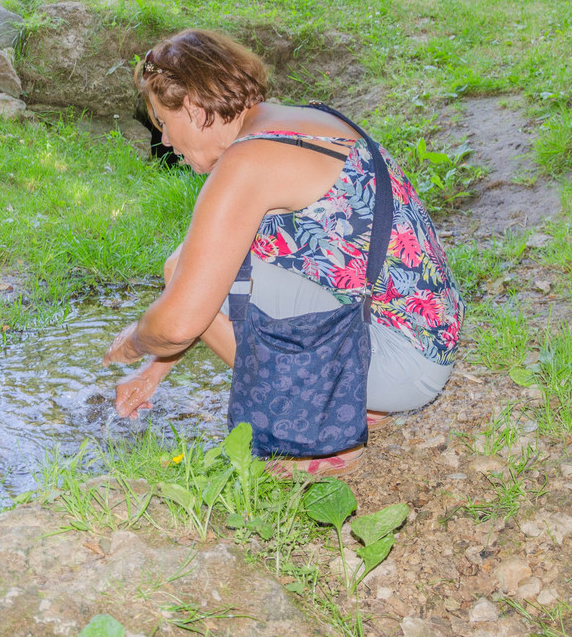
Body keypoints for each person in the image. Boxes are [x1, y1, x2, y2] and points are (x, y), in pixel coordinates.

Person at [102, 29, 463, 476]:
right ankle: (352, 402)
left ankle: (318, 428)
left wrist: (135, 343)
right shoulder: (300, 122)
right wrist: (152, 374)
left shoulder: (247, 165)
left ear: (193, 109)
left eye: (162, 122)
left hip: (403, 365)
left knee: (181, 275)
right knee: (191, 267)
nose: (167, 143)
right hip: (424, 333)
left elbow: (179, 323)